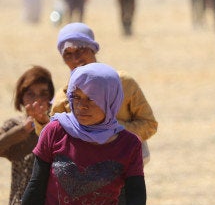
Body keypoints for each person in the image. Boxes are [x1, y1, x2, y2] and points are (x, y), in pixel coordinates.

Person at [0, 63, 147, 205]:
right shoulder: (54, 131)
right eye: (76, 97)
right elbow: (35, 188)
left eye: (91, 99)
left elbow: (137, 195)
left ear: (109, 100)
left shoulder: (129, 144)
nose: (81, 105)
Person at [34, 22, 157, 165]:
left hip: (127, 166)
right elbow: (52, 139)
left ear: (93, 49)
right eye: (68, 54)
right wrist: (41, 121)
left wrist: (110, 131)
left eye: (80, 50)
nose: (75, 59)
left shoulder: (123, 83)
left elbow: (149, 124)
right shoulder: (64, 97)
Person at [0, 66, 55, 205]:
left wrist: (44, 124)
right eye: (30, 94)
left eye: (43, 94)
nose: (36, 99)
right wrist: (23, 130)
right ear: (21, 97)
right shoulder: (14, 126)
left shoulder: (56, 125)